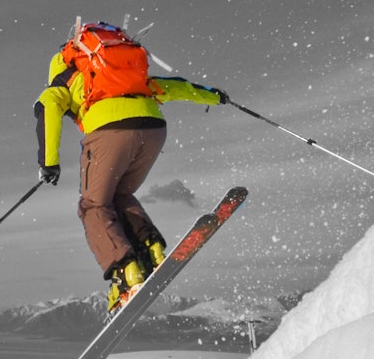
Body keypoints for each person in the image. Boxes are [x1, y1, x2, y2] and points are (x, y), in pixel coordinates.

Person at [33, 33, 228, 317]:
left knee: (93, 205)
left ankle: (125, 272)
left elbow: (46, 107)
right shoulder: (123, 76)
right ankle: (151, 249)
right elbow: (172, 88)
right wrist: (213, 95)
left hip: (109, 132)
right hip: (153, 128)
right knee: (119, 195)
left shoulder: (66, 81)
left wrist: (49, 163)